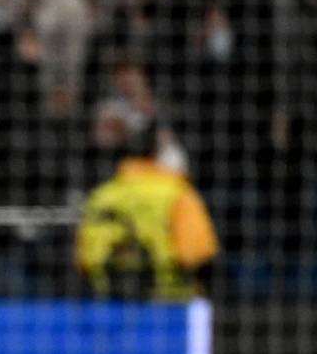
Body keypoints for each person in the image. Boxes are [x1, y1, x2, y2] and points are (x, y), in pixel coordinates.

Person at [76, 124, 219, 301]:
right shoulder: (178, 194)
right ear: (158, 154)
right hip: (169, 309)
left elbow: (84, 260)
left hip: (109, 309)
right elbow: (197, 254)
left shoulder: (100, 196)